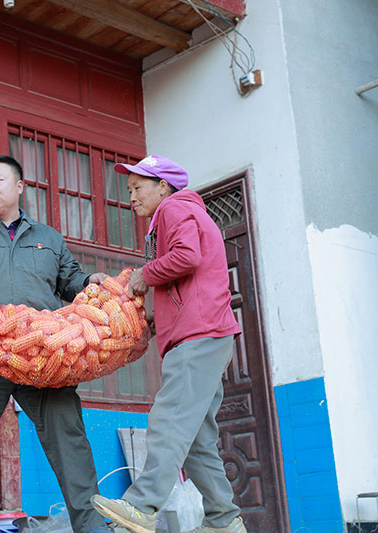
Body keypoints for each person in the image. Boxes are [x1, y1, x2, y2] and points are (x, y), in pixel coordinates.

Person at [0, 154, 110, 533]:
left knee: (71, 446)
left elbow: (71, 282)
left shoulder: (48, 238)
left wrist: (90, 283)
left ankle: (93, 529)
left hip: (43, 357)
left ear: (20, 187)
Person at [89, 155, 246, 533]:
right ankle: (224, 520)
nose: (131, 197)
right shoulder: (179, 213)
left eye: (138, 187)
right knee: (195, 438)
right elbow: (183, 282)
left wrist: (146, 273)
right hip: (207, 336)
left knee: (169, 419)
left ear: (163, 186)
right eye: (128, 191)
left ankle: (142, 507)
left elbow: (186, 258)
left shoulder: (174, 208)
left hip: (200, 336)